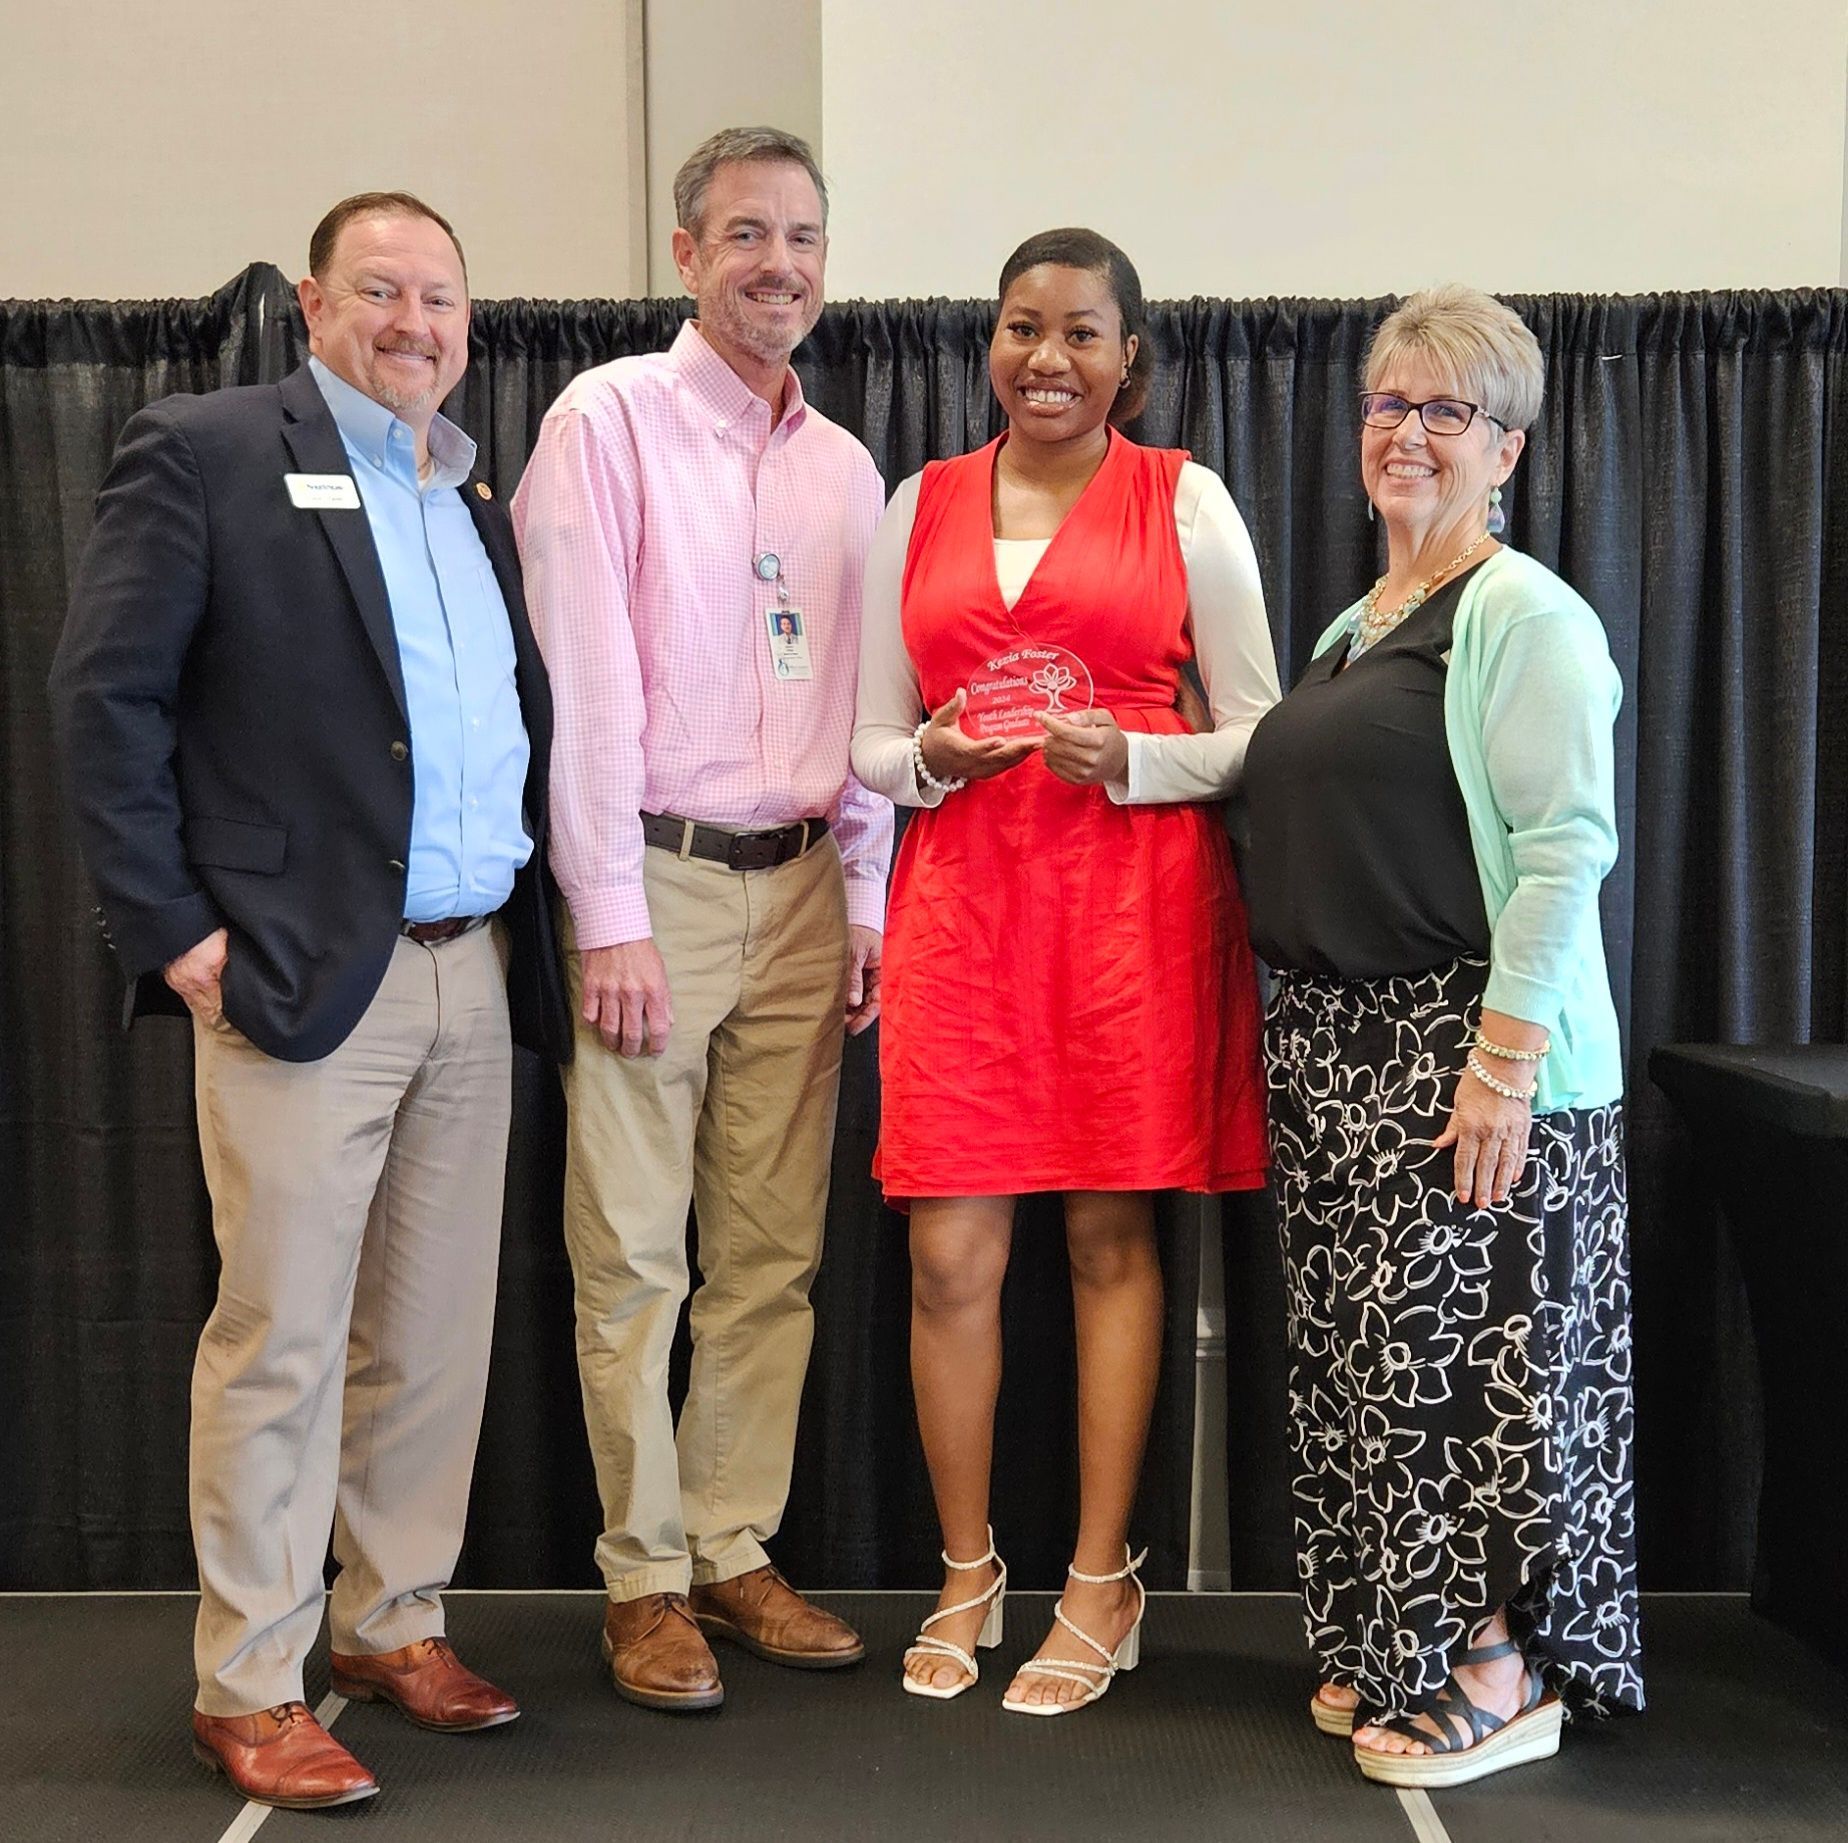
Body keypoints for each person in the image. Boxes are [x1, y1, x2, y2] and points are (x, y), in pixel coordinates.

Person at [48, 191, 570, 1809]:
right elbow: (104, 695)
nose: (417, 322)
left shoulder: (468, 485)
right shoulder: (205, 449)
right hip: (293, 974)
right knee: (281, 1337)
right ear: (308, 300)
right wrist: (172, 930)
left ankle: (390, 1619)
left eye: (443, 299)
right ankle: (253, 1675)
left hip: (470, 969)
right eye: (383, 292)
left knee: (430, 1334)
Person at [852, 228, 1279, 1714]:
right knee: (949, 1257)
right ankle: (968, 1569)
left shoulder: (1190, 502)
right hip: (965, 916)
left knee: (1110, 1247)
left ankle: (1102, 1582)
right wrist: (926, 759)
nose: (1049, 357)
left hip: (1129, 922)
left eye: (1082, 334)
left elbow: (1259, 728)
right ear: (990, 346)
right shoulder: (919, 504)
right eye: (1024, 328)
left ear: (1130, 360)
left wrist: (1142, 755)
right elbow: (864, 737)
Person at [1240, 283, 1644, 1788]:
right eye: (1387, 404)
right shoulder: (1364, 621)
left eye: (1447, 411)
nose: (1408, 432)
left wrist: (1501, 1065)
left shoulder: (1524, 614)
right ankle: (1388, 1635)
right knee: (1365, 1364)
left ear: (1508, 451)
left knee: (1475, 1376)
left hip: (1461, 1047)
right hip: (1341, 1052)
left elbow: (1564, 852)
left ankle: (1496, 1663)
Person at [512, 126, 891, 1713]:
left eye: (803, 237)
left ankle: (734, 1548)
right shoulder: (605, 422)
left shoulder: (848, 467)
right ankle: (645, 1579)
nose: (779, 266)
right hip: (653, 886)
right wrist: (604, 915)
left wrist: (864, 891)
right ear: (686, 255)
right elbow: (587, 691)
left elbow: (872, 696)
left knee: (769, 1257)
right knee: (632, 1260)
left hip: (806, 885)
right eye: (747, 235)